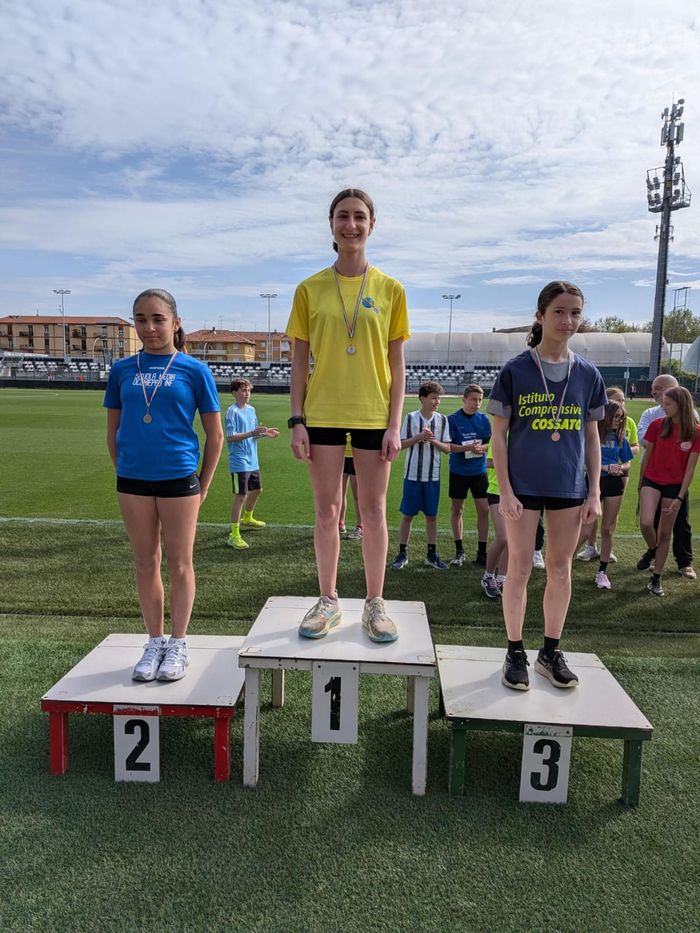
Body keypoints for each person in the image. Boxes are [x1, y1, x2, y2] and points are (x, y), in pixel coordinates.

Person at [287, 188, 409, 642]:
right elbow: (299, 361)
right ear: (332, 224)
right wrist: (297, 420)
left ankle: (375, 603)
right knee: (327, 511)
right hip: (322, 413)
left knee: (373, 513)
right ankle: (328, 600)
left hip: (374, 415)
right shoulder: (309, 289)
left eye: (359, 217)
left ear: (372, 225)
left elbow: (398, 365)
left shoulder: (391, 289)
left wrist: (395, 424)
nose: (351, 225)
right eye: (343, 216)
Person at [488, 281, 607, 691]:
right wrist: (505, 490)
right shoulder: (516, 370)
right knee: (520, 567)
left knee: (560, 568)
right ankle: (514, 651)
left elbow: (591, 437)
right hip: (522, 487)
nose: (568, 320)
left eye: (575, 312)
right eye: (559, 311)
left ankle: (550, 652)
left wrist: (594, 491)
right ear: (540, 316)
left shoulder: (588, 374)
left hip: (568, 486)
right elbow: (498, 437)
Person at [104, 289, 223, 681]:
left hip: (179, 478)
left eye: (158, 318)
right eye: (140, 319)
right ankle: (154, 642)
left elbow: (215, 434)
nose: (149, 327)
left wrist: (204, 484)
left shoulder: (194, 370)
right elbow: (113, 431)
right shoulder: (122, 370)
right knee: (145, 561)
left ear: (176, 322)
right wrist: (126, 469)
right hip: (133, 481)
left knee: (180, 563)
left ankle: (179, 643)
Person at [638, 386, 700, 596]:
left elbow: (690, 469)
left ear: (681, 404)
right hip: (652, 480)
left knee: (665, 533)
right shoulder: (657, 425)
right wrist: (640, 484)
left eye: (668, 404)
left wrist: (680, 497)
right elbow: (646, 457)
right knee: (646, 523)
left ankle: (656, 579)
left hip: (674, 486)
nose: (663, 407)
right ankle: (652, 550)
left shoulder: (695, 431)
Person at [390, 380, 452, 571]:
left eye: (438, 398)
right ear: (423, 399)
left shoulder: (442, 420)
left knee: (431, 516)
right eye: (434, 398)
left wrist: (432, 440)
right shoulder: (411, 418)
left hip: (432, 477)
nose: (437, 402)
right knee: (407, 515)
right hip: (412, 476)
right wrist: (418, 437)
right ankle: (402, 553)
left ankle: (431, 554)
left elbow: (447, 448)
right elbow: (400, 444)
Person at [576, 386, 638, 563]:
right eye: (616, 417)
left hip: (614, 482)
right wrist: (604, 467)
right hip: (591, 482)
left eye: (621, 418)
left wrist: (620, 467)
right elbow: (582, 461)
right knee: (585, 527)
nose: (619, 421)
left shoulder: (620, 437)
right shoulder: (590, 435)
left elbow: (627, 461)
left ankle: (602, 567)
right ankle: (566, 560)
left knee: (608, 528)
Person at [225, 378, 279, 550]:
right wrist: (252, 433)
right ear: (234, 393)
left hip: (252, 459)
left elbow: (254, 433)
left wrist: (265, 433)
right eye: (243, 390)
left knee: (257, 489)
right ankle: (234, 535)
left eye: (248, 390)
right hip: (239, 460)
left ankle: (247, 518)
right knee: (241, 495)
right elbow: (230, 437)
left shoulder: (251, 410)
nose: (247, 393)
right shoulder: (232, 412)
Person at [447, 384, 491, 566]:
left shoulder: (484, 419)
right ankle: (459, 550)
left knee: (484, 510)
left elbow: (490, 443)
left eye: (480, 400)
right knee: (457, 509)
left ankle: (482, 552)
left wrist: (483, 448)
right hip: (459, 471)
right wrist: (466, 448)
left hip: (479, 471)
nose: (477, 403)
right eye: (473, 399)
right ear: (464, 399)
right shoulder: (452, 420)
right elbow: (447, 446)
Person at [481, 436, 508, 598]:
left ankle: (502, 578)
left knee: (512, 540)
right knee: (503, 537)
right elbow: (489, 462)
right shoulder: (501, 435)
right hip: (496, 491)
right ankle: (488, 576)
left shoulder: (522, 434)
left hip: (517, 492)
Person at [339, 435, 363, 540]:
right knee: (340, 494)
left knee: (357, 495)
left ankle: (360, 526)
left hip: (356, 455)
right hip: (340, 454)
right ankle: (340, 523)